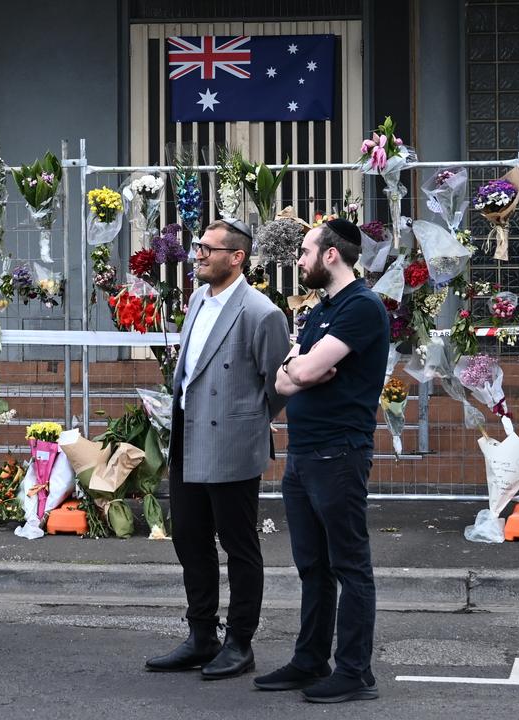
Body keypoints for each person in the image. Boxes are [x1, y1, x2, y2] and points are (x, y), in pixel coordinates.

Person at [145, 218, 290, 680]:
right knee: (189, 539)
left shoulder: (261, 312)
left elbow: (278, 384)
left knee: (239, 544)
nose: (198, 254)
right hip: (188, 437)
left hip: (232, 442)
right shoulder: (195, 300)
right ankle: (201, 635)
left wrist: (243, 421)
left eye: (208, 248)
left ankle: (240, 642)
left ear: (237, 257)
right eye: (197, 247)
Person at [256, 218, 388, 703]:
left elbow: (303, 368)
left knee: (350, 565)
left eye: (306, 251)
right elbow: (286, 378)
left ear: (331, 254)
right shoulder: (321, 310)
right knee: (312, 566)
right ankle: (311, 660)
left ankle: (354, 672)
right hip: (303, 454)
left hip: (339, 454)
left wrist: (300, 370)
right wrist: (299, 371)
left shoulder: (362, 308)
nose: (300, 259)